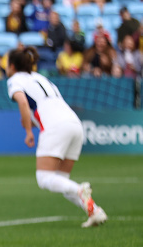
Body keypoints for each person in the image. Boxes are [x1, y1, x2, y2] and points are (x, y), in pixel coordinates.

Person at [6, 46, 107, 228]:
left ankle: (80, 190)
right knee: (61, 179)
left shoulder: (14, 79)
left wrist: (28, 131)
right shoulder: (40, 78)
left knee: (44, 178)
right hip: (74, 124)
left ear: (12, 66)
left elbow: (22, 101)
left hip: (55, 126)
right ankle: (95, 211)